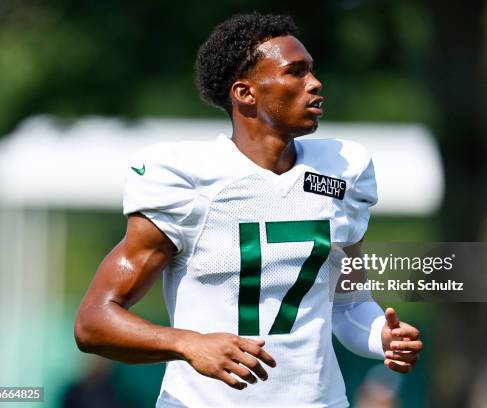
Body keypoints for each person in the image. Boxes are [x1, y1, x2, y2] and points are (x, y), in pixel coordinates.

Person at [74, 12, 422, 407]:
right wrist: (188, 344)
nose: (315, 83)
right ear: (246, 93)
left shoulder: (343, 169)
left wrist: (381, 336)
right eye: (296, 72)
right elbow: (93, 321)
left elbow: (349, 302)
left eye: (312, 70)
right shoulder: (187, 178)